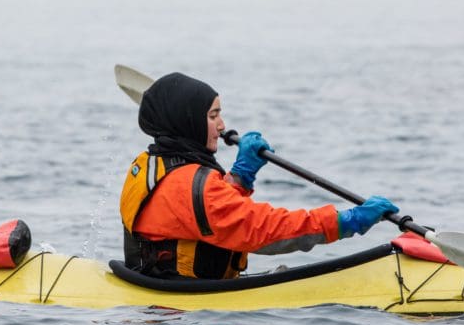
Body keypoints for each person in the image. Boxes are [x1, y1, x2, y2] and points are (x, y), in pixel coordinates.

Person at [120, 72, 399, 279]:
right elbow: (263, 231)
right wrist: (345, 222)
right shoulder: (190, 187)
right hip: (186, 319)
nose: (222, 125)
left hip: (158, 292)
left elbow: (205, 217)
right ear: (188, 121)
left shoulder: (150, 163)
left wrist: (240, 178)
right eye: (213, 116)